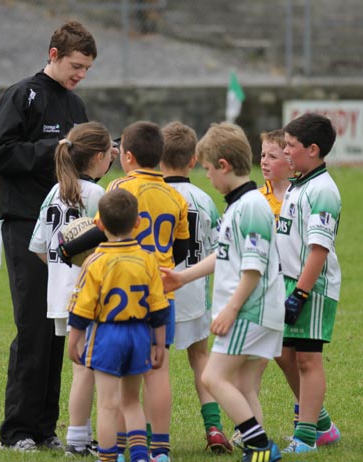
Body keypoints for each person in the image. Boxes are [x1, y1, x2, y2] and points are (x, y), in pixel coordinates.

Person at [0, 21, 97, 452]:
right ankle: (15, 431)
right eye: (76, 65)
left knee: (60, 326)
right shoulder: (23, 95)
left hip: (69, 230)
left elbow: (83, 161)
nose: (81, 74)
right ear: (54, 54)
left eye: (87, 68)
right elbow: (0, 153)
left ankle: (45, 428)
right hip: (24, 224)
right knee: (33, 325)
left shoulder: (76, 104)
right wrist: (53, 151)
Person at [60, 120, 190, 462]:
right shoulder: (177, 197)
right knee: (157, 371)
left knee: (116, 388)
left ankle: (114, 449)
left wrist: (68, 248)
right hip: (159, 289)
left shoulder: (120, 186)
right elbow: (183, 251)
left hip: (119, 290)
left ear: (127, 156)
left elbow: (101, 230)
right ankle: (159, 449)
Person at [161, 122, 284, 462]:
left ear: (224, 166)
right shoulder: (238, 206)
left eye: (208, 169)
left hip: (249, 310)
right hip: (255, 310)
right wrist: (182, 278)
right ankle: (256, 451)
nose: (207, 177)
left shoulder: (251, 207)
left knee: (213, 377)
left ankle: (260, 447)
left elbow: (254, 266)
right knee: (243, 386)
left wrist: (231, 308)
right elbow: (225, 254)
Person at [67, 188, 171, 462]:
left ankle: (108, 458)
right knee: (131, 400)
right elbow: (159, 307)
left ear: (99, 225)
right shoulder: (148, 259)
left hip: (107, 334)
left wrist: (73, 340)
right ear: (137, 222)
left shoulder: (94, 262)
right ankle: (138, 456)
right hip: (139, 333)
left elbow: (81, 309)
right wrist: (159, 343)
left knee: (107, 405)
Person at [29, 121, 113, 456]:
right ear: (97, 157)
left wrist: (61, 271)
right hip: (90, 295)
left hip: (61, 294)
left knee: (81, 366)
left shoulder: (54, 191)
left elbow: (37, 246)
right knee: (95, 368)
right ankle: (84, 441)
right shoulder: (97, 195)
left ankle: (80, 439)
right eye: (109, 154)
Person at [159, 121, 232, 454]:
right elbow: (221, 250)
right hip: (193, 295)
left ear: (158, 158)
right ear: (193, 161)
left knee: (153, 366)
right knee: (200, 358)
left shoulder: (152, 197)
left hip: (157, 292)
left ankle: (149, 434)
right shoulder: (205, 199)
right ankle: (214, 428)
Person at [277, 113, 341, 454]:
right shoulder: (299, 183)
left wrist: (300, 293)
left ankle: (306, 438)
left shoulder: (322, 190)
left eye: (291, 146)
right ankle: (322, 424)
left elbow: (318, 248)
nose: (286, 151)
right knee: (282, 353)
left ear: (313, 149)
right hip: (290, 283)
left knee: (307, 360)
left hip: (312, 288)